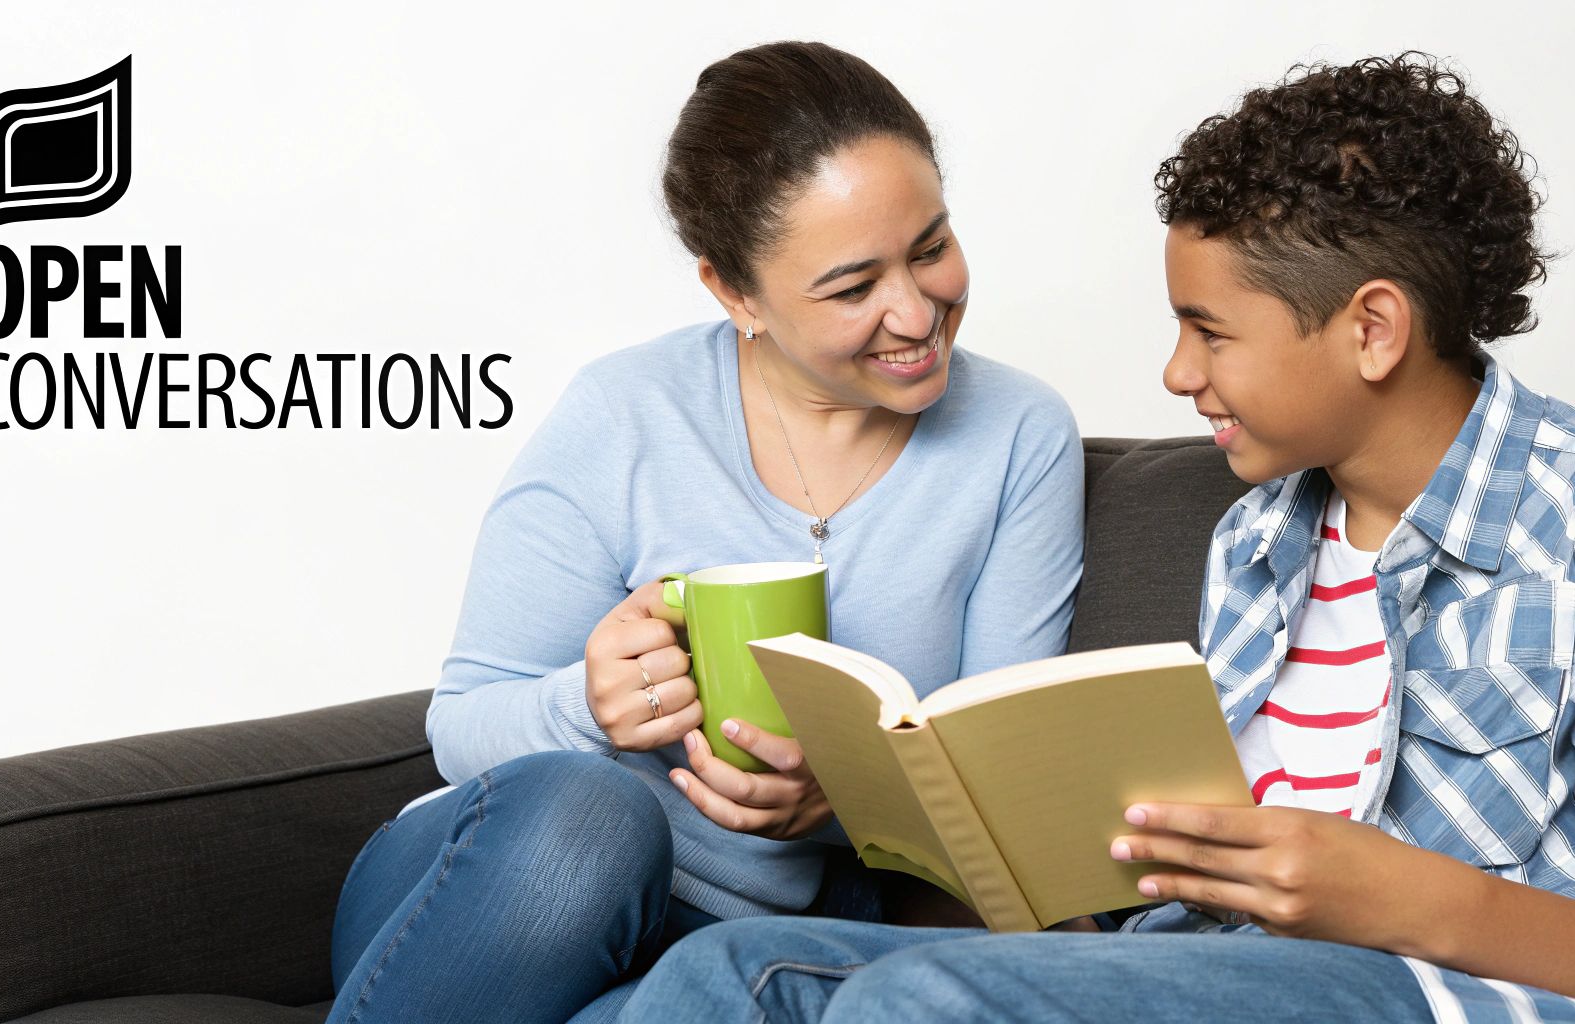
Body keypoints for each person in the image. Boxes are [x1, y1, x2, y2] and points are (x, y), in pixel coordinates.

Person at [615, 52, 1575, 1024]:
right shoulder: (1258, 538)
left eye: (1210, 331)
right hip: (1195, 961)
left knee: (920, 1002)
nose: (1177, 374)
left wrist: (1402, 897)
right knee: (729, 971)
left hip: (1427, 988)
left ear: (1372, 330)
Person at [322, 41, 1085, 1024]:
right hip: (489, 888)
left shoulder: (1017, 435)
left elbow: (997, 779)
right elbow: (461, 722)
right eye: (852, 287)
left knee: (708, 996)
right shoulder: (625, 415)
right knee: (594, 816)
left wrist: (847, 797)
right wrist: (587, 705)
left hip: (735, 941)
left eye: (930, 248)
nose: (914, 311)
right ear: (734, 293)